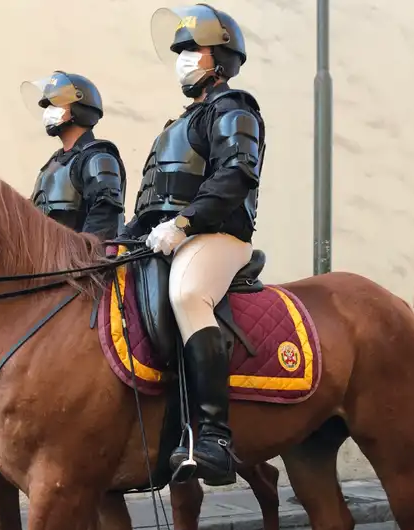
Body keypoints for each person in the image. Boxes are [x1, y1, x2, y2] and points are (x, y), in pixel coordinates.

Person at [121, 3, 265, 485]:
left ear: (219, 57)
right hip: (165, 236)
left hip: (217, 234)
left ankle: (214, 437)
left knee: (187, 294)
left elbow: (236, 174)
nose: (183, 57)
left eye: (192, 49)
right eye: (179, 50)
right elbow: (150, 197)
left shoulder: (234, 108)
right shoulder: (176, 124)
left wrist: (184, 223)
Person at [21, 71, 126, 240]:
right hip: (50, 261)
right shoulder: (54, 163)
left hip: (82, 263)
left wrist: (84, 254)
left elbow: (105, 213)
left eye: (55, 105)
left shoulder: (98, 158)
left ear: (80, 108)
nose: (48, 112)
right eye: (48, 106)